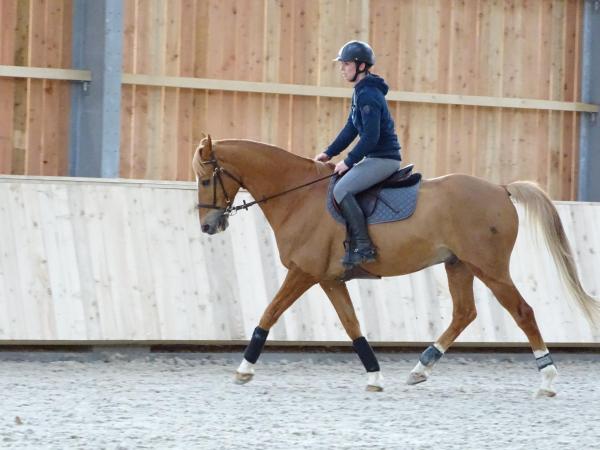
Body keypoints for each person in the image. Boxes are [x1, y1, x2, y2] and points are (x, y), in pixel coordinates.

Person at [315, 40, 402, 269]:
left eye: (345, 64)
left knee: (341, 189)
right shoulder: (360, 92)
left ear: (361, 66)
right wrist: (328, 152)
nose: (342, 69)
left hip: (384, 159)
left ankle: (363, 246)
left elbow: (371, 137)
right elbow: (351, 129)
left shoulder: (368, 95)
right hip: (375, 157)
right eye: (341, 65)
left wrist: (348, 160)